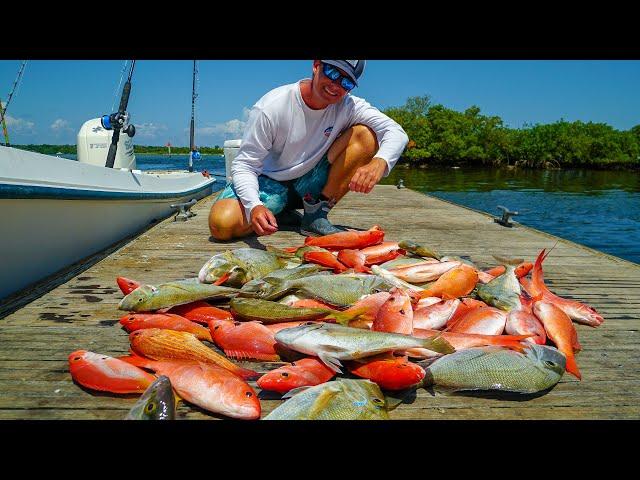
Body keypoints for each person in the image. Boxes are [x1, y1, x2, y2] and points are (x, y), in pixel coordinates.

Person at [208, 60, 409, 240]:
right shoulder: (272, 107)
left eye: (346, 82)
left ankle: (316, 215)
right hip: (268, 184)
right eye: (332, 72)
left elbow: (397, 132)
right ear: (316, 65)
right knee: (221, 225)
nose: (335, 85)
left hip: (310, 183)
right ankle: (278, 210)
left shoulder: (349, 107)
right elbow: (245, 166)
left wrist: (380, 161)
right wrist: (254, 206)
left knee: (365, 135)